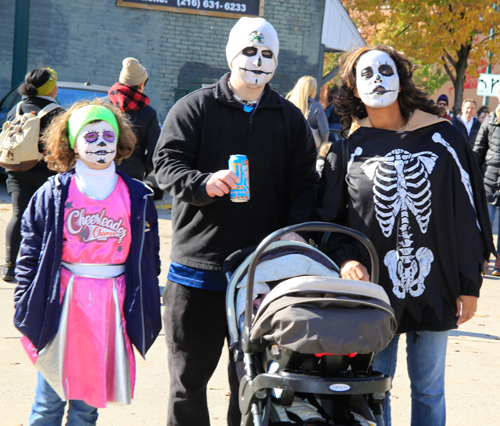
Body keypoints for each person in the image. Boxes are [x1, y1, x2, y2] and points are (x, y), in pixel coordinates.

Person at [314, 45, 494, 426]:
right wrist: (345, 259)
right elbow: (331, 220)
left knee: (429, 387)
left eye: (385, 70)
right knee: (374, 385)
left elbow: (467, 214)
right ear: (354, 89)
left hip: (438, 280)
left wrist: (469, 283)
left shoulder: (442, 139)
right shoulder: (347, 148)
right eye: (366, 74)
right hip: (374, 287)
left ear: (401, 78)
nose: (377, 79)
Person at [153, 17, 317, 426]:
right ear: (231, 54)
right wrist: (202, 184)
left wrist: (294, 230)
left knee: (254, 381)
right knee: (187, 380)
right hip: (197, 271)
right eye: (249, 51)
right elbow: (165, 164)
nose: (258, 61)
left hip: (261, 272)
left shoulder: (289, 118)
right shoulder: (196, 106)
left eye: (267, 55)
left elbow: (304, 183)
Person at [13, 99, 162, 425]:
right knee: (48, 402)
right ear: (73, 144)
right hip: (63, 301)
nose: (100, 144)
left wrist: (144, 299)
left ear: (119, 141)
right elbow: (29, 252)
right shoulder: (53, 192)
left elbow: (150, 254)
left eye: (108, 136)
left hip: (110, 306)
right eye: (90, 137)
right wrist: (25, 299)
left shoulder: (136, 194)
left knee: (87, 407)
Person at [2, 68, 64, 282]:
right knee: (44, 220)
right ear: (49, 88)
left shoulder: (17, 108)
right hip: (44, 173)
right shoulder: (57, 112)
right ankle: (37, 267)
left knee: (18, 215)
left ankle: (9, 267)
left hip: (16, 170)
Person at [103, 57, 160, 181]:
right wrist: (143, 168)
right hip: (133, 176)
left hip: (102, 170)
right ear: (141, 84)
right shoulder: (149, 113)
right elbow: (154, 149)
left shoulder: (101, 106)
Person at [473, 87, 500, 275]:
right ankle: (483, 258)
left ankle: (499, 262)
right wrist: (472, 175)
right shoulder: (490, 121)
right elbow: (478, 150)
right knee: (485, 223)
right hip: (489, 181)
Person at [286, 75, 329, 148]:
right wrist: (322, 145)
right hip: (310, 149)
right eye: (315, 89)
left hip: (289, 147)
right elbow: (324, 132)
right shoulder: (317, 106)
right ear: (311, 91)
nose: (316, 91)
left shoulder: (288, 104)